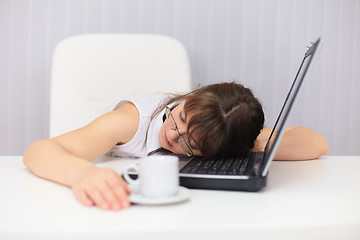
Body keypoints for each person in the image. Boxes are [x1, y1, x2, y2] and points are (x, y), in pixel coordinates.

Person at [23, 82, 329, 211]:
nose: (173, 133)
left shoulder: (219, 131)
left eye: (190, 143)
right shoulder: (132, 120)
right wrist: (81, 174)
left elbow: (317, 144)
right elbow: (38, 151)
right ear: (191, 96)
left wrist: (251, 142)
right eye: (180, 116)